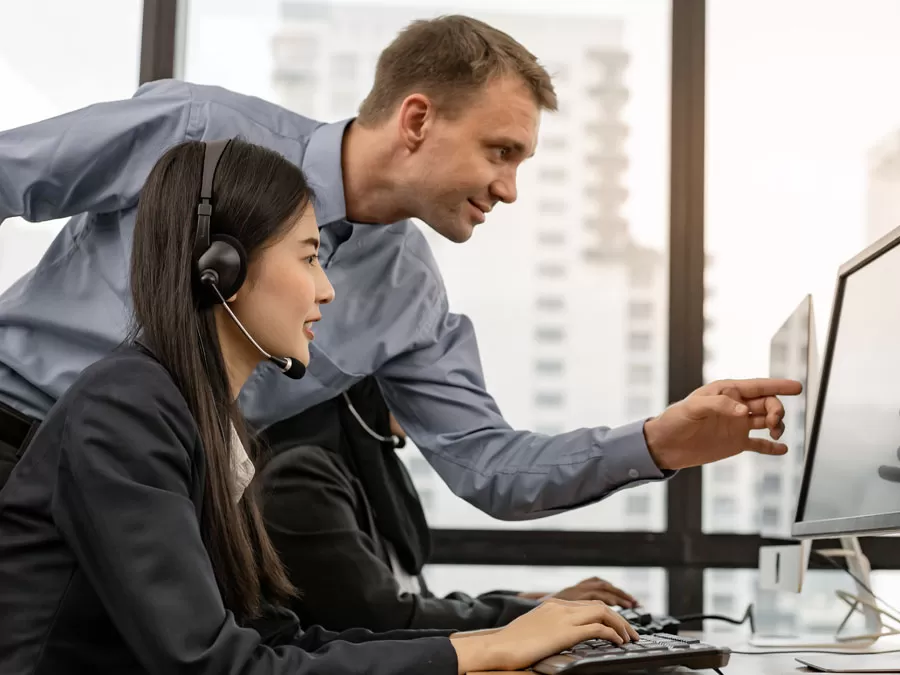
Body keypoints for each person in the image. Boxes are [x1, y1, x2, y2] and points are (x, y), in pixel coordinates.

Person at [0, 15, 801, 517]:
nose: (510, 189)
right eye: (501, 151)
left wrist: (659, 439)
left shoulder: (409, 295)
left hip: (139, 500)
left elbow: (488, 464)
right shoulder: (197, 129)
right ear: (417, 119)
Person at [0, 138, 640, 675]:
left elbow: (279, 641)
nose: (327, 289)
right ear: (220, 268)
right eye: (309, 257)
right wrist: (488, 648)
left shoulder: (208, 421)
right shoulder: (125, 408)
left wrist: (483, 647)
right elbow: (210, 665)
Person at [258, 375, 640, 633]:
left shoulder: (369, 475)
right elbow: (385, 618)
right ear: (362, 391)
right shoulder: (301, 478)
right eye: (410, 377)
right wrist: (538, 615)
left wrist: (531, 602)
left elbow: (417, 605)